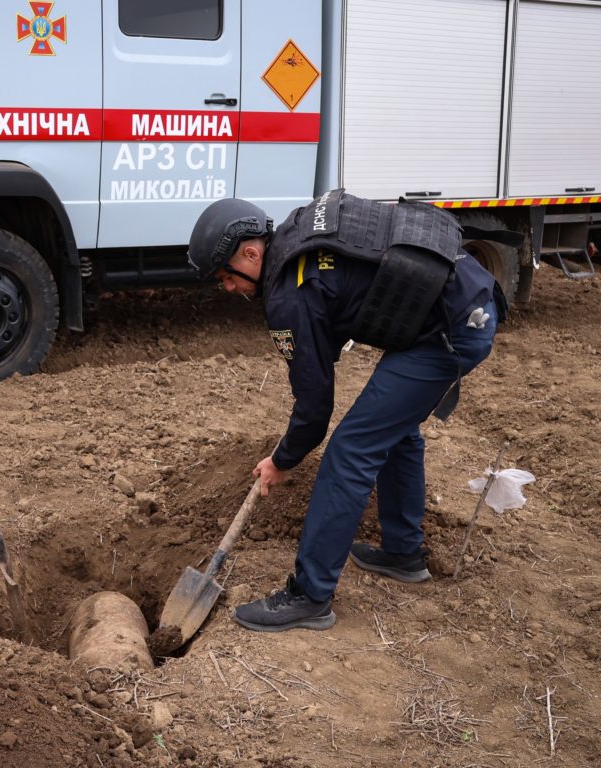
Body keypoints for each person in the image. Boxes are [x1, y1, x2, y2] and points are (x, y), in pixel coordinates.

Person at [187, 190, 504, 632]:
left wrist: (283, 459)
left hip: (449, 331)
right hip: (458, 303)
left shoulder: (287, 297)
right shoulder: (298, 233)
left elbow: (315, 407)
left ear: (251, 252)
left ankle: (310, 595)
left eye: (226, 276)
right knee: (394, 429)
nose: (229, 288)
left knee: (351, 449)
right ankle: (402, 551)